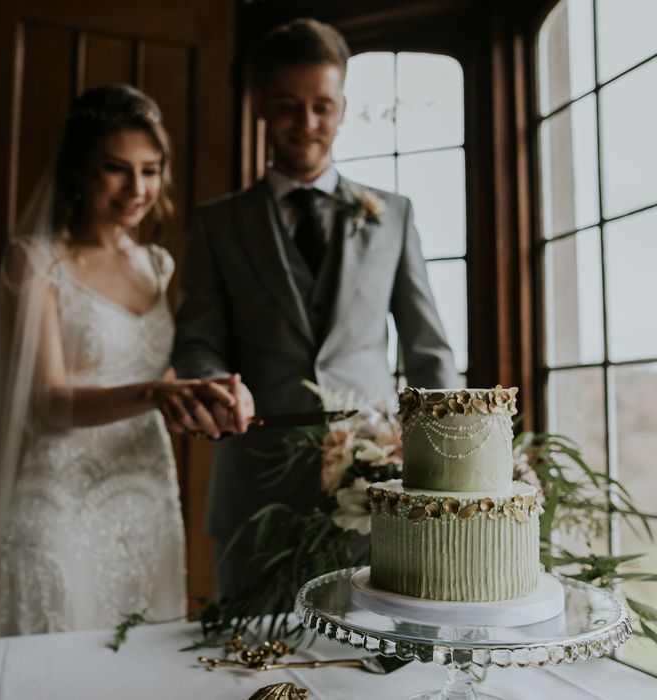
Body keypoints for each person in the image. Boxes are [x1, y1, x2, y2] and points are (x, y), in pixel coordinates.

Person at [0, 85, 236, 688]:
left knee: (138, 671)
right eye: (116, 169)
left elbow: (164, 381)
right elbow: (48, 400)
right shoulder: (36, 261)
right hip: (59, 501)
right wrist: (156, 395)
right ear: (81, 169)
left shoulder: (157, 265)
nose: (137, 189)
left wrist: (202, 398)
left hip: (144, 495)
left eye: (150, 171)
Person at [171, 18, 458, 597]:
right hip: (254, 485)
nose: (306, 124)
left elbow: (428, 351)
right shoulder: (217, 224)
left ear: (343, 107)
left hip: (374, 482)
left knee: (372, 659)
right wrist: (213, 386)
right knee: (250, 665)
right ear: (260, 104)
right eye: (287, 106)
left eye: (321, 106)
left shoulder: (393, 215)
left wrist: (445, 465)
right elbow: (197, 337)